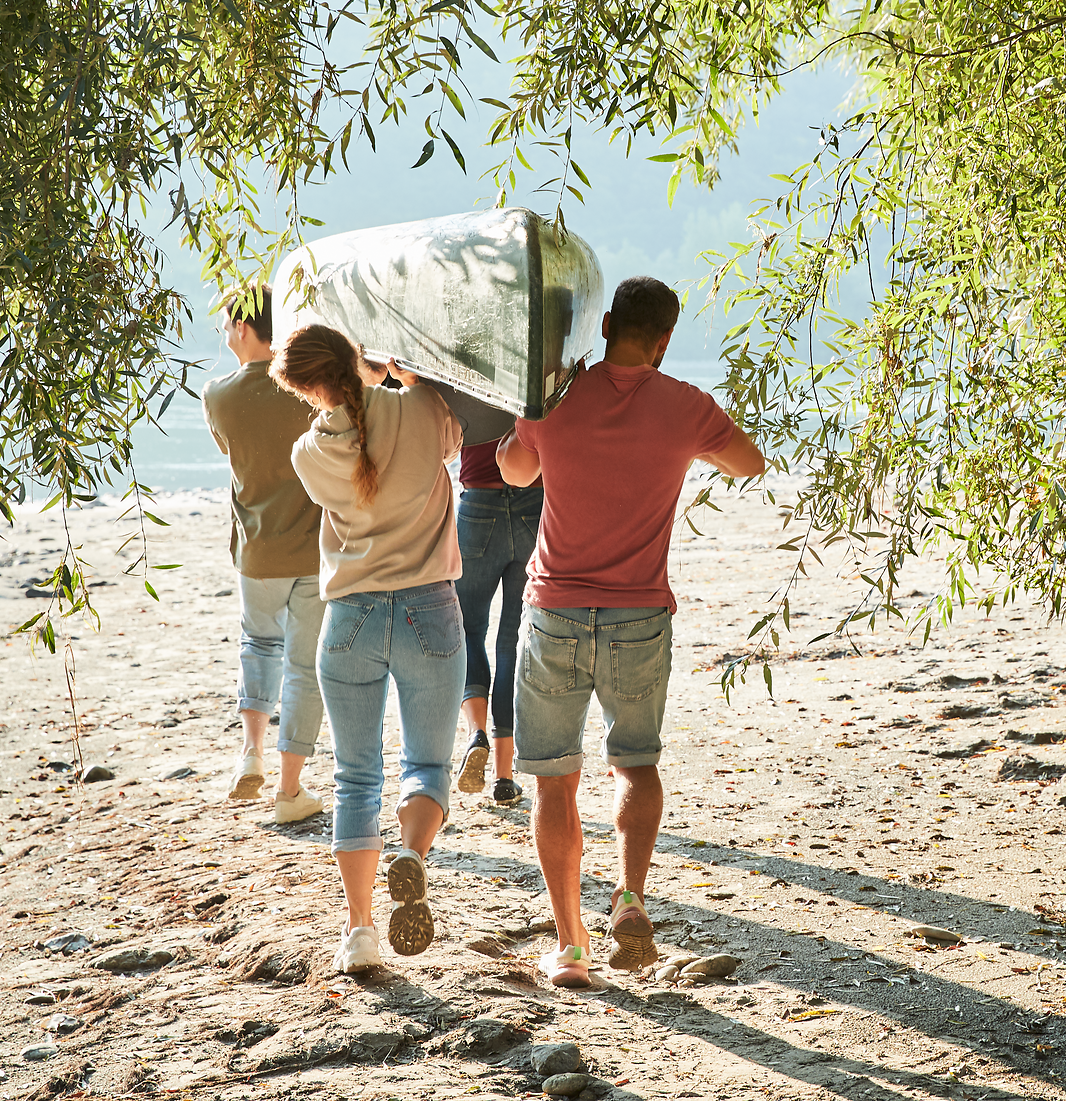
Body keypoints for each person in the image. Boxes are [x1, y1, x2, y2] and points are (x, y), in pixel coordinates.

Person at [496, 277, 765, 988]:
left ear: (607, 323)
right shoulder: (686, 405)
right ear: (665, 339)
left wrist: (528, 414)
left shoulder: (556, 398)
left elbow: (514, 473)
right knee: (636, 765)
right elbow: (750, 462)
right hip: (639, 618)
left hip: (554, 612)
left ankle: (571, 946)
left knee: (554, 782)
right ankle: (632, 896)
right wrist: (692, 443)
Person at [273, 324, 465, 974]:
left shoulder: (307, 453)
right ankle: (411, 853)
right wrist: (403, 377)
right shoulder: (423, 408)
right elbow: (453, 437)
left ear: (305, 389)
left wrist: (369, 385)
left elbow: (354, 436)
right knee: (427, 765)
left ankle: (359, 931)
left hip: (350, 618)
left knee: (356, 778)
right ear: (356, 356)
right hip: (429, 610)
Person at [201, 284, 326, 824]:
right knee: (304, 666)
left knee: (257, 644)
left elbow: (235, 455)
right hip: (314, 551)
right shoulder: (309, 391)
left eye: (227, 324)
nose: (224, 333)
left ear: (245, 328)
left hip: (255, 550)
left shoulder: (217, 396)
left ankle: (250, 752)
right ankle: (289, 788)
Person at [451, 439, 541, 805]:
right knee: (512, 642)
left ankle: (477, 733)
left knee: (467, 630)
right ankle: (504, 777)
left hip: (478, 504)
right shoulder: (537, 395)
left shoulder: (471, 394)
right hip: (534, 503)